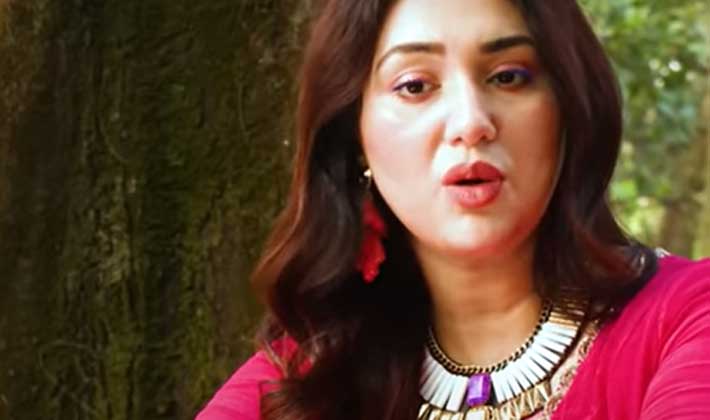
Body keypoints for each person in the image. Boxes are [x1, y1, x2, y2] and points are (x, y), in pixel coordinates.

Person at [197, 0, 710, 419]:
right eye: (415, 86)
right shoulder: (306, 375)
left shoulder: (685, 318)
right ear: (354, 138)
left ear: (569, 109)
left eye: (508, 76)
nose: (470, 122)